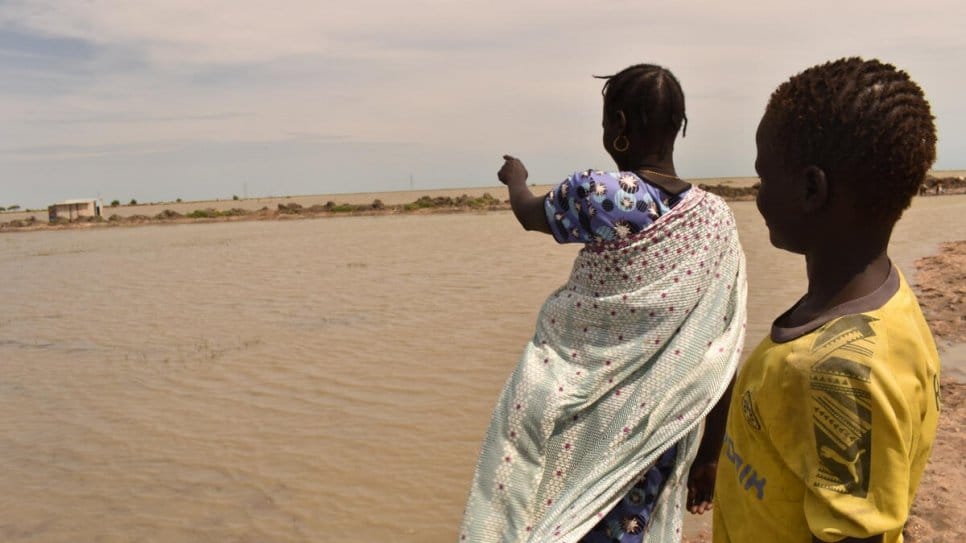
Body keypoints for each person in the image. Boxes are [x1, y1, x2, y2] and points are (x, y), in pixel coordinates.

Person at [458, 64, 747, 543]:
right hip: (661, 427)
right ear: (679, 128)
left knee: (549, 523)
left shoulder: (602, 194)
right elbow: (723, 347)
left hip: (575, 419)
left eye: (605, 122)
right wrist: (711, 454)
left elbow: (531, 214)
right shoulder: (716, 219)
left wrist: (516, 177)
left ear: (619, 127)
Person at [709, 58, 941, 543]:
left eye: (764, 178)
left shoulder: (838, 372)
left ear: (812, 188)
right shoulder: (889, 303)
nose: (757, 193)